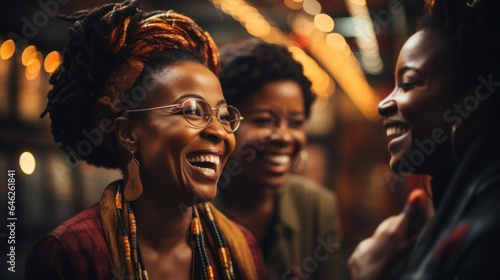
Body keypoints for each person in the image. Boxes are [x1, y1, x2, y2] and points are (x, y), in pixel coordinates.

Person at [24, 1, 267, 279]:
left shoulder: (241, 248)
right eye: (191, 110)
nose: (219, 131)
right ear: (128, 134)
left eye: (223, 115)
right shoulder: (69, 254)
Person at [349, 0, 500, 279]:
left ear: (472, 101)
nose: (384, 104)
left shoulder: (488, 232)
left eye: (407, 83)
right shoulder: (464, 205)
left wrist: (370, 274)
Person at [212, 38, 343, 280]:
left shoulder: (316, 206)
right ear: (225, 123)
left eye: (295, 123)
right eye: (263, 120)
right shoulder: (192, 207)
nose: (284, 137)